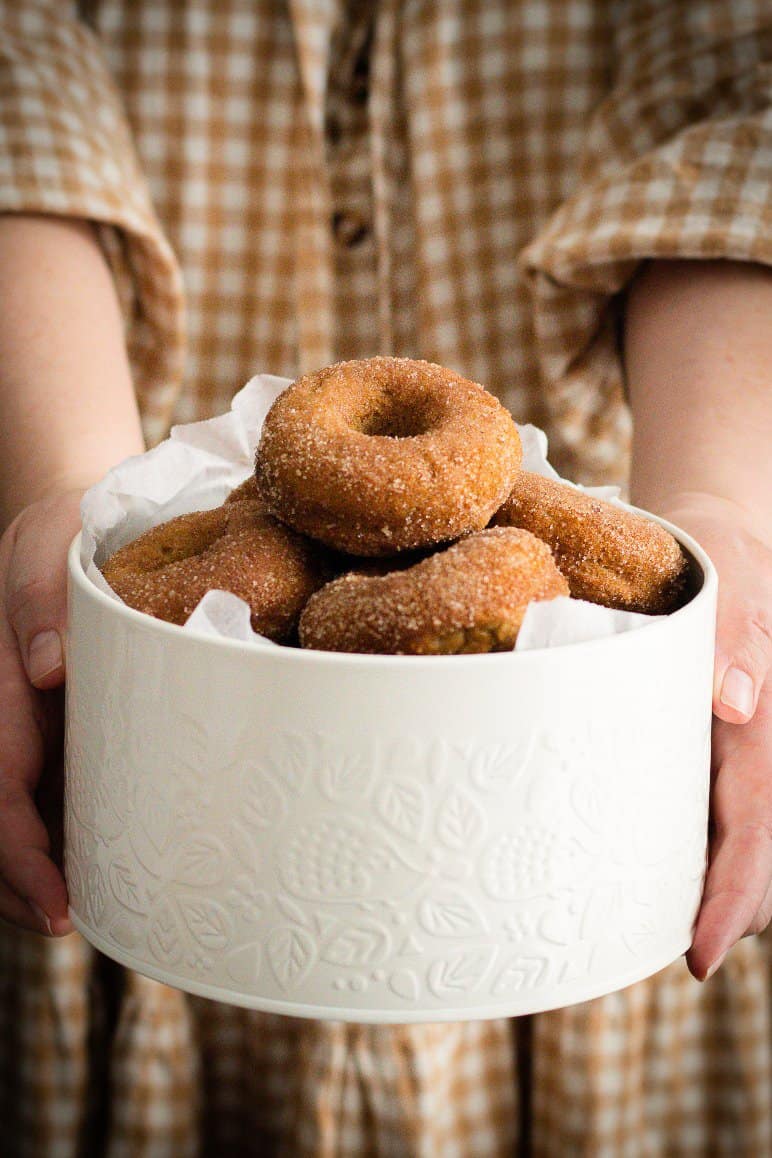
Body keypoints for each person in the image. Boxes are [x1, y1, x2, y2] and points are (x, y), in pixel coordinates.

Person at [0, 1, 770, 1153]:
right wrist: (62, 488)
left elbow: (738, 84)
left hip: (582, 771)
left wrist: (723, 511)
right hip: (177, 775)